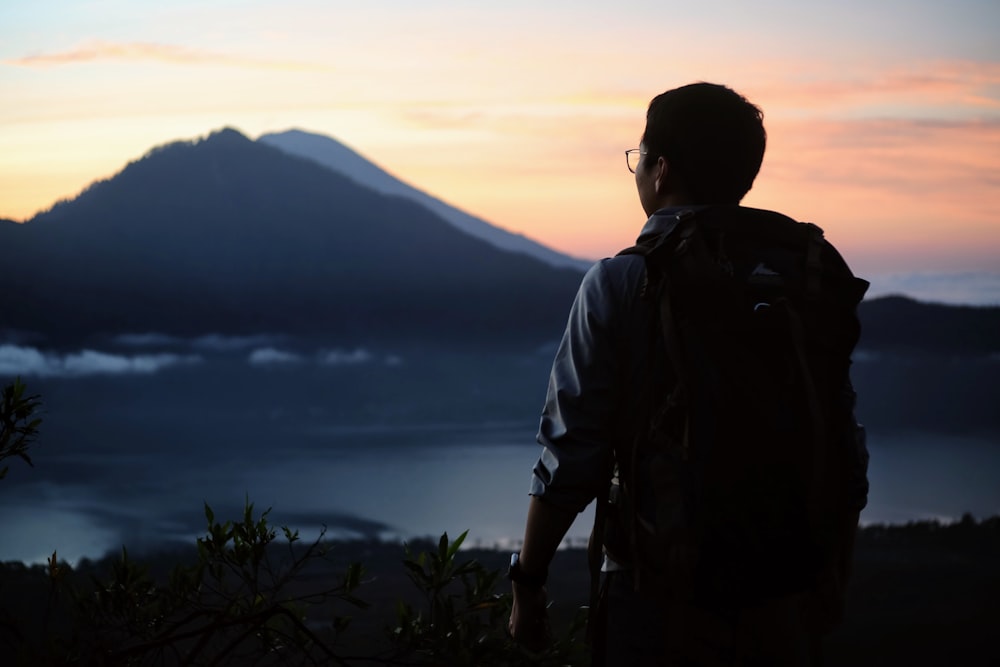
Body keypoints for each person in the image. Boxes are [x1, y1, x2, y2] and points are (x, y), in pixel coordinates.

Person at [507, 82, 869, 666]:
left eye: (638, 157)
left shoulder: (622, 283)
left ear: (661, 170)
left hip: (656, 591)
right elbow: (843, 438)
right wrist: (833, 578)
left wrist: (528, 582)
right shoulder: (803, 275)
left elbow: (572, 453)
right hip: (786, 589)